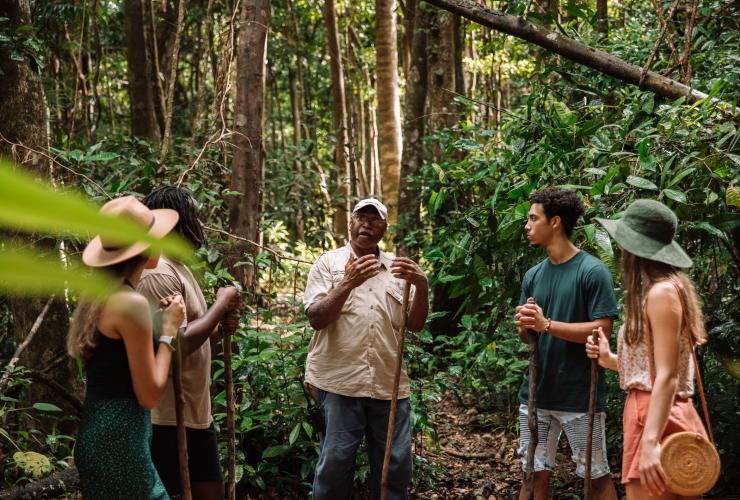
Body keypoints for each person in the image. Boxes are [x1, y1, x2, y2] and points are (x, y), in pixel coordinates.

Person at [303, 198, 429, 500]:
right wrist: (347, 282)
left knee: (395, 467)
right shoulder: (329, 263)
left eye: (375, 220)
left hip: (389, 385)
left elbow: (415, 324)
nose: (367, 224)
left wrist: (422, 286)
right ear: (350, 222)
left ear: (384, 228)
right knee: (335, 465)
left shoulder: (397, 269)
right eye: (362, 217)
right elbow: (316, 319)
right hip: (339, 382)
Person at [586, 199, 709, 499]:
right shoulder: (661, 290)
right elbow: (651, 368)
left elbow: (667, 375)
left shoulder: (662, 293)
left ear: (633, 248)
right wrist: (609, 359)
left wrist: (651, 441)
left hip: (656, 416)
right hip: (652, 410)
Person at [69, 195, 186, 499]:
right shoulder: (131, 303)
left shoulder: (103, 294)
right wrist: (169, 333)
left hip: (100, 430)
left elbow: (117, 360)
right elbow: (149, 393)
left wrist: (159, 324)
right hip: (120, 438)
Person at [514, 188, 619, 500]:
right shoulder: (534, 274)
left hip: (578, 394)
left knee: (596, 476)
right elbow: (529, 335)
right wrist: (527, 325)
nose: (527, 225)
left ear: (555, 222)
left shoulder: (592, 271)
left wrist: (547, 325)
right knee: (532, 475)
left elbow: (603, 330)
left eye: (533, 218)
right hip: (537, 392)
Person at [138, 185, 241, 500]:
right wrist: (221, 304)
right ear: (175, 222)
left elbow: (193, 330)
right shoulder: (157, 272)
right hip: (168, 416)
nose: (201, 224)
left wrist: (218, 330)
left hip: (195, 411)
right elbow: (175, 344)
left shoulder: (178, 267)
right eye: (194, 216)